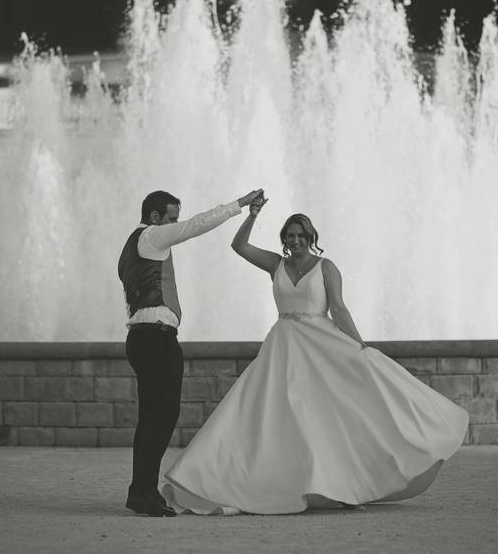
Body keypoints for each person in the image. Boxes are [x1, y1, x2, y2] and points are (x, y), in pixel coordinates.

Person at [161, 197, 470, 515]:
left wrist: (360, 346)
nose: (295, 240)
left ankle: (342, 485)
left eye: (301, 235)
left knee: (326, 415)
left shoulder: (327, 267)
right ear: (284, 239)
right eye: (290, 235)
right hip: (283, 346)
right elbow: (239, 246)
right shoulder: (275, 265)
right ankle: (256, 480)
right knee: (267, 413)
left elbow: (338, 308)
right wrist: (252, 214)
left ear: (311, 238)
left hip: (320, 346)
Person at [118, 188, 264, 517]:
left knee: (151, 418)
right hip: (155, 338)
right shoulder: (152, 237)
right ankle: (142, 491)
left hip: (143, 337)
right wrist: (239, 205)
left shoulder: (134, 247)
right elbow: (197, 225)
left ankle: (141, 490)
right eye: (171, 218)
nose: (175, 224)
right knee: (163, 416)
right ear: (155, 217)